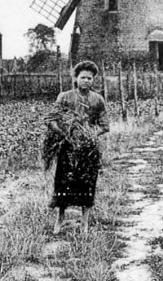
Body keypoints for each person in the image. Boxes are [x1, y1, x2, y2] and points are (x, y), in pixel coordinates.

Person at [44, 60, 109, 234]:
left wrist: (91, 135)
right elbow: (50, 119)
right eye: (83, 77)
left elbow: (104, 125)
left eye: (90, 78)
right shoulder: (64, 97)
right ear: (76, 78)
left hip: (88, 149)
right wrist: (65, 134)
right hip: (68, 146)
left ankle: (84, 223)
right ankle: (60, 220)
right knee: (64, 184)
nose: (87, 81)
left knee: (86, 185)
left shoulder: (98, 100)